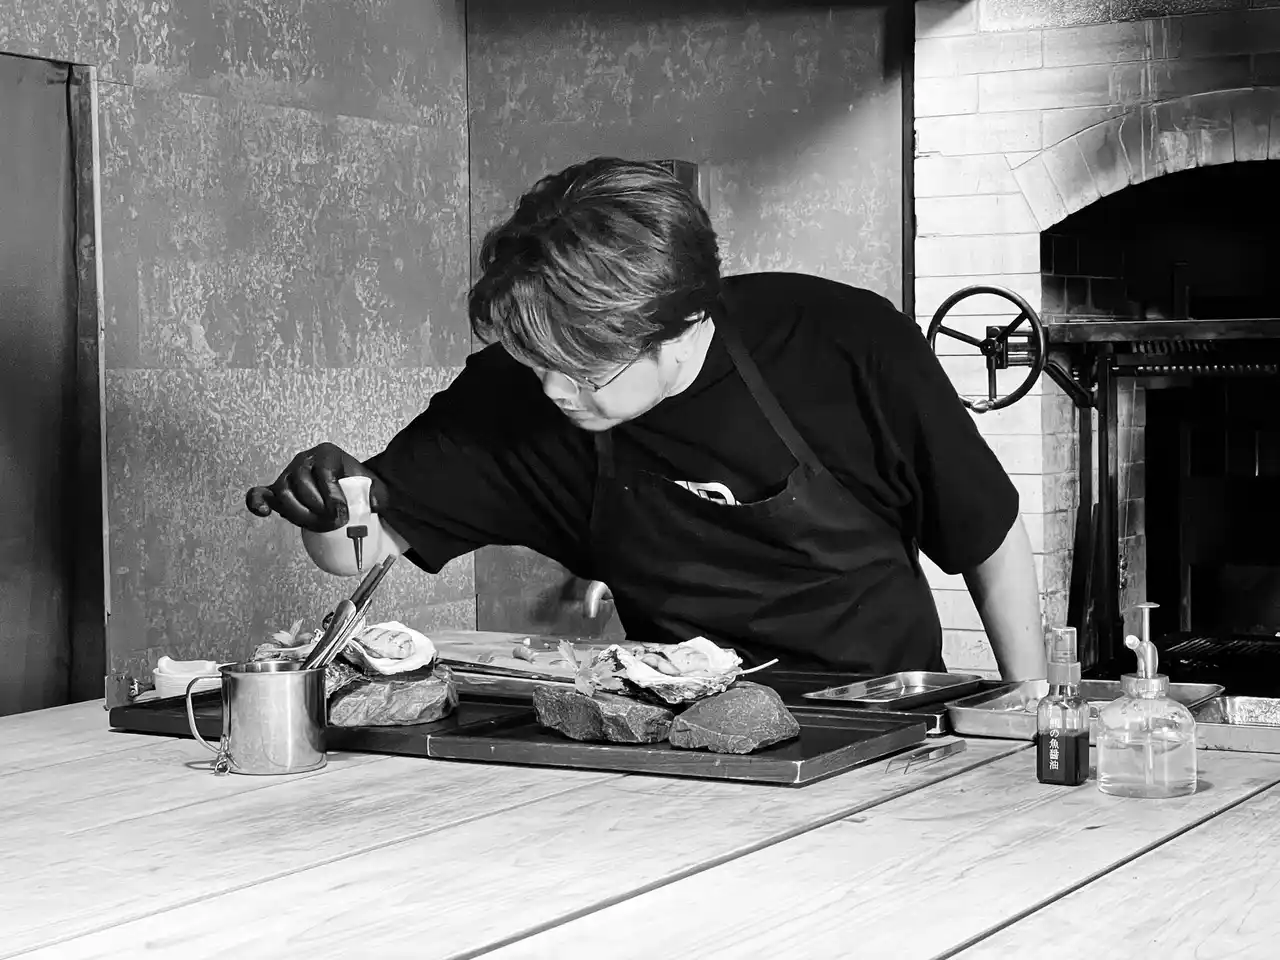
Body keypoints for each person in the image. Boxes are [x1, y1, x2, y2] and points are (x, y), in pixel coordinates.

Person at [246, 157, 1046, 679]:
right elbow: (359, 551)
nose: (553, 389)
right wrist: (337, 501)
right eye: (534, 358)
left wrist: (1029, 709)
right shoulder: (514, 396)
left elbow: (988, 535)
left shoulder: (844, 344)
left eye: (584, 368)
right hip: (676, 733)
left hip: (885, 724)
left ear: (685, 327)